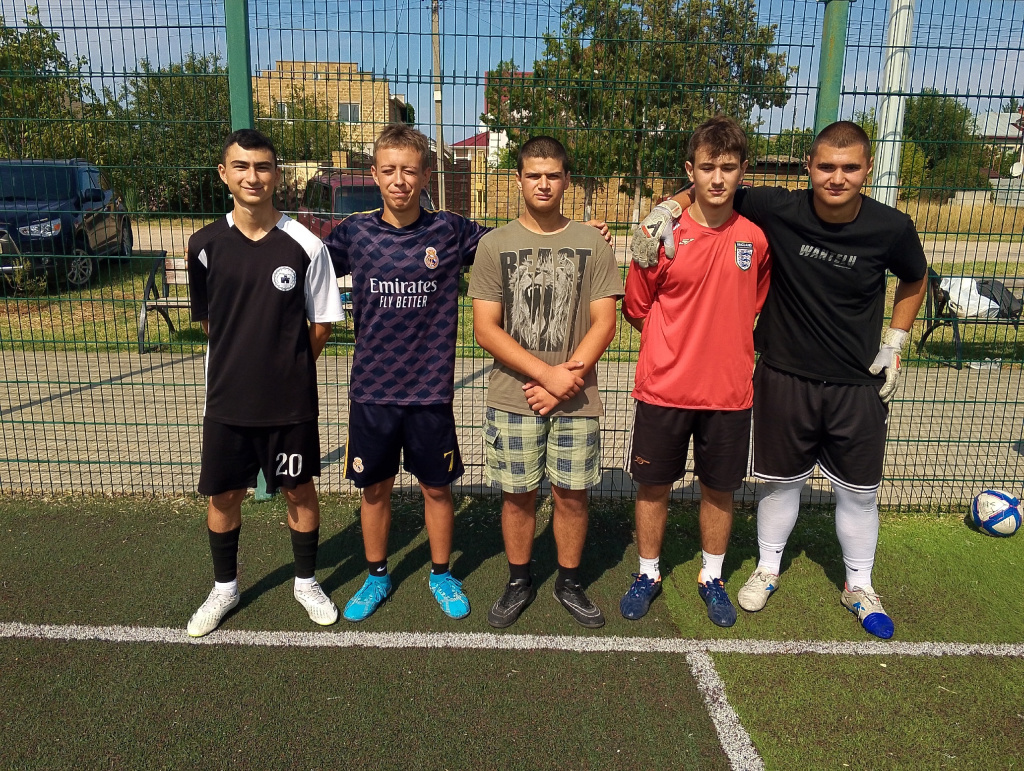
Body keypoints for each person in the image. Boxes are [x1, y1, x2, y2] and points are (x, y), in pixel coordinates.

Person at [631, 120, 928, 639]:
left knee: (857, 492)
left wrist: (896, 341)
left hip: (848, 381)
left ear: (868, 168)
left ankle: (857, 585)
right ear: (809, 167)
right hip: (774, 377)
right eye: (827, 166)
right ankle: (754, 569)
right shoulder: (775, 209)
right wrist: (666, 207)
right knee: (774, 483)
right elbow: (703, 193)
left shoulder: (889, 226)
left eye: (850, 167)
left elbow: (914, 276)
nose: (837, 177)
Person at [324, 125, 612, 623]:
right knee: (375, 489)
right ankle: (376, 575)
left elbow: (524, 240)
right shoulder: (353, 233)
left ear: (426, 175)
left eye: (409, 170)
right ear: (374, 174)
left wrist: (586, 231)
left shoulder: (451, 230)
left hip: (431, 390)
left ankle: (441, 573)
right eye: (389, 170)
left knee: (438, 488)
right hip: (371, 389)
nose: (399, 180)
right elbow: (305, 272)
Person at [186, 129, 344, 637]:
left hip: (289, 403)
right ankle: (224, 588)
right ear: (224, 174)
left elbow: (322, 323)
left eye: (262, 167)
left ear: (277, 175)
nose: (252, 176)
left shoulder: (307, 245)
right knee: (223, 496)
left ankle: (306, 582)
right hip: (226, 401)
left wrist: (285, 366)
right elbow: (210, 323)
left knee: (299, 491)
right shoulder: (204, 245)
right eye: (241, 166)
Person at [619, 117, 770, 628]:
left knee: (719, 490)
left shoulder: (755, 239)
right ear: (690, 171)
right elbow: (636, 308)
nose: (717, 178)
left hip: (728, 393)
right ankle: (648, 573)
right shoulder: (662, 234)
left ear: (743, 170)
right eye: (707, 167)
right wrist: (674, 342)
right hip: (664, 388)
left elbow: (755, 303)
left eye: (728, 167)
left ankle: (713, 577)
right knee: (653, 486)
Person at [469, 136, 623, 629]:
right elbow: (485, 328)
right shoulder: (494, 245)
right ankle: (519, 580)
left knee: (571, 494)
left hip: (576, 400)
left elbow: (605, 322)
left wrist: (564, 381)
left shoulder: (592, 243)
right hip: (514, 397)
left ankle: (569, 582)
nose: (543, 184)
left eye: (553, 175)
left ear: (566, 180)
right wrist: (546, 376)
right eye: (533, 175)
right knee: (518, 495)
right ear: (518, 179)